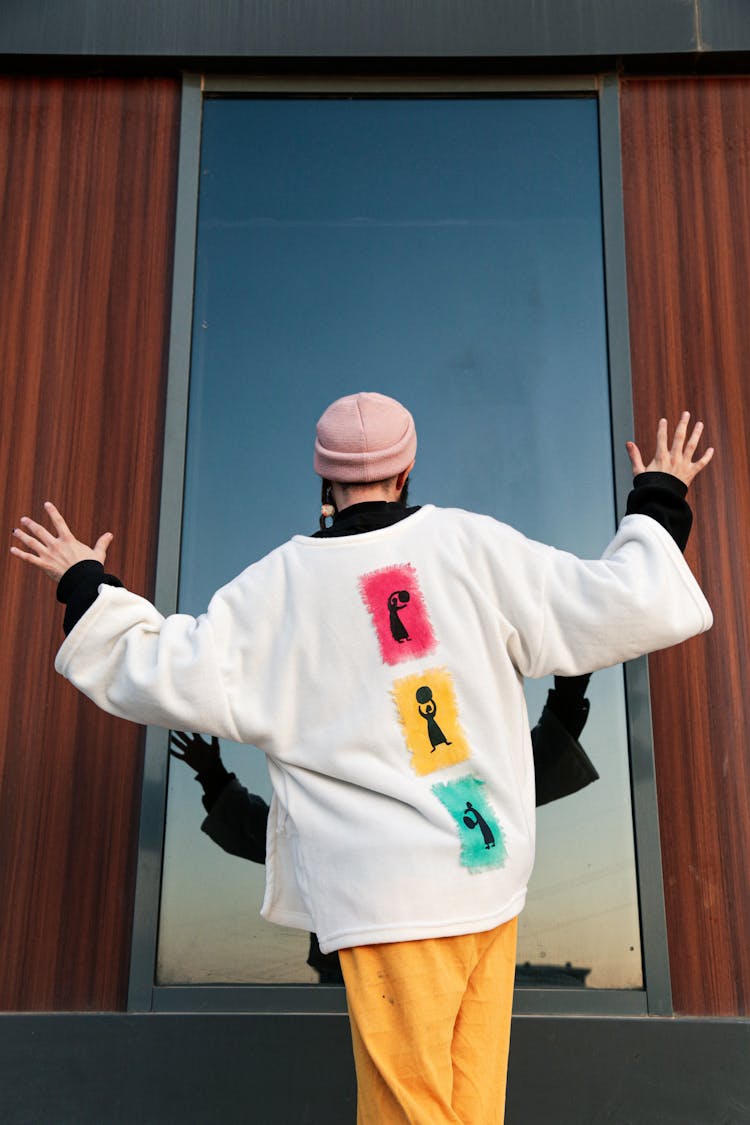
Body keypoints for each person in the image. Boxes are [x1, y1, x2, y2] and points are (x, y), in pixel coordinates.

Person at [11, 396, 713, 1125]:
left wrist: (86, 582)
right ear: (408, 469)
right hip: (487, 874)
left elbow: (165, 667)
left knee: (411, 1112)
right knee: (468, 1106)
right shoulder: (473, 547)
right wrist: (659, 497)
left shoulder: (277, 587)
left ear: (322, 477)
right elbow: (613, 604)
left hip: (391, 900)